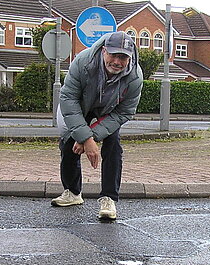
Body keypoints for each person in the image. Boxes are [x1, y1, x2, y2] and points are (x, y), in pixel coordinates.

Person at [51, 31, 143, 220]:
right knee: (69, 139)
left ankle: (109, 198)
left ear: (130, 58)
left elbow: (124, 112)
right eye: (113, 55)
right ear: (103, 51)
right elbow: (69, 98)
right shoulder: (83, 62)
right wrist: (84, 137)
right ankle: (72, 192)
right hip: (80, 105)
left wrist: (92, 136)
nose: (117, 61)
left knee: (114, 144)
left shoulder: (135, 77)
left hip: (109, 112)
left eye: (123, 57)